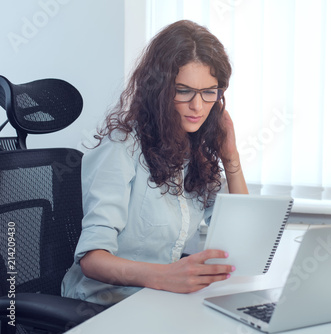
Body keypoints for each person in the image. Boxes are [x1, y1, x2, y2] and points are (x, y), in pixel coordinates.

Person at [61, 20, 248, 306]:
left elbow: (242, 232)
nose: (198, 106)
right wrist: (166, 276)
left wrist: (231, 157)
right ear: (159, 90)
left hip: (158, 299)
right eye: (184, 91)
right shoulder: (122, 147)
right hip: (103, 305)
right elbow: (92, 260)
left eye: (209, 92)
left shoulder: (193, 153)